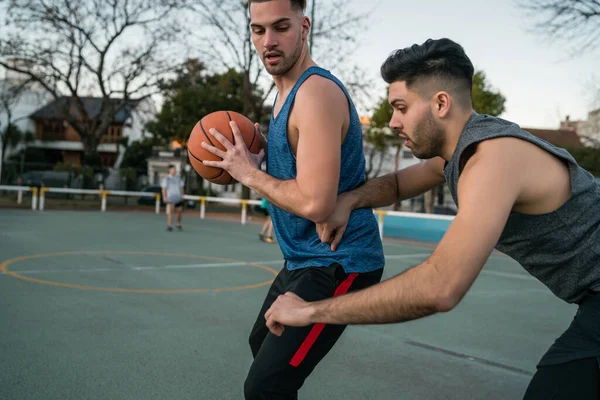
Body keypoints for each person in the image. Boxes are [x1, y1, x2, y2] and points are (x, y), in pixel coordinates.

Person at [263, 38, 600, 399]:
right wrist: (350, 200)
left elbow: (439, 288)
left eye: (401, 107)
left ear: (441, 103)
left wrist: (311, 311)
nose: (392, 122)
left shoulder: (492, 160)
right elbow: (395, 183)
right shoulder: (462, 151)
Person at [200, 0, 385, 398]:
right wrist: (263, 155)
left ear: (304, 26)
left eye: (280, 27)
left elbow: (317, 203)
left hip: (340, 261)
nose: (268, 40)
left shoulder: (315, 92)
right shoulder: (283, 93)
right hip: (304, 258)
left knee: (267, 384)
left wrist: (248, 173)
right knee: (261, 345)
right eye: (257, 29)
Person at [161, 165, 184, 231]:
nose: (174, 171)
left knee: (179, 211)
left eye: (175, 169)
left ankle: (178, 224)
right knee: (171, 212)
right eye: (173, 169)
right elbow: (163, 188)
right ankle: (170, 225)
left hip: (178, 197)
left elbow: (181, 187)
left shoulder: (178, 178)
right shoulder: (166, 179)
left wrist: (182, 195)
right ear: (170, 170)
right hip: (170, 198)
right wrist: (164, 196)